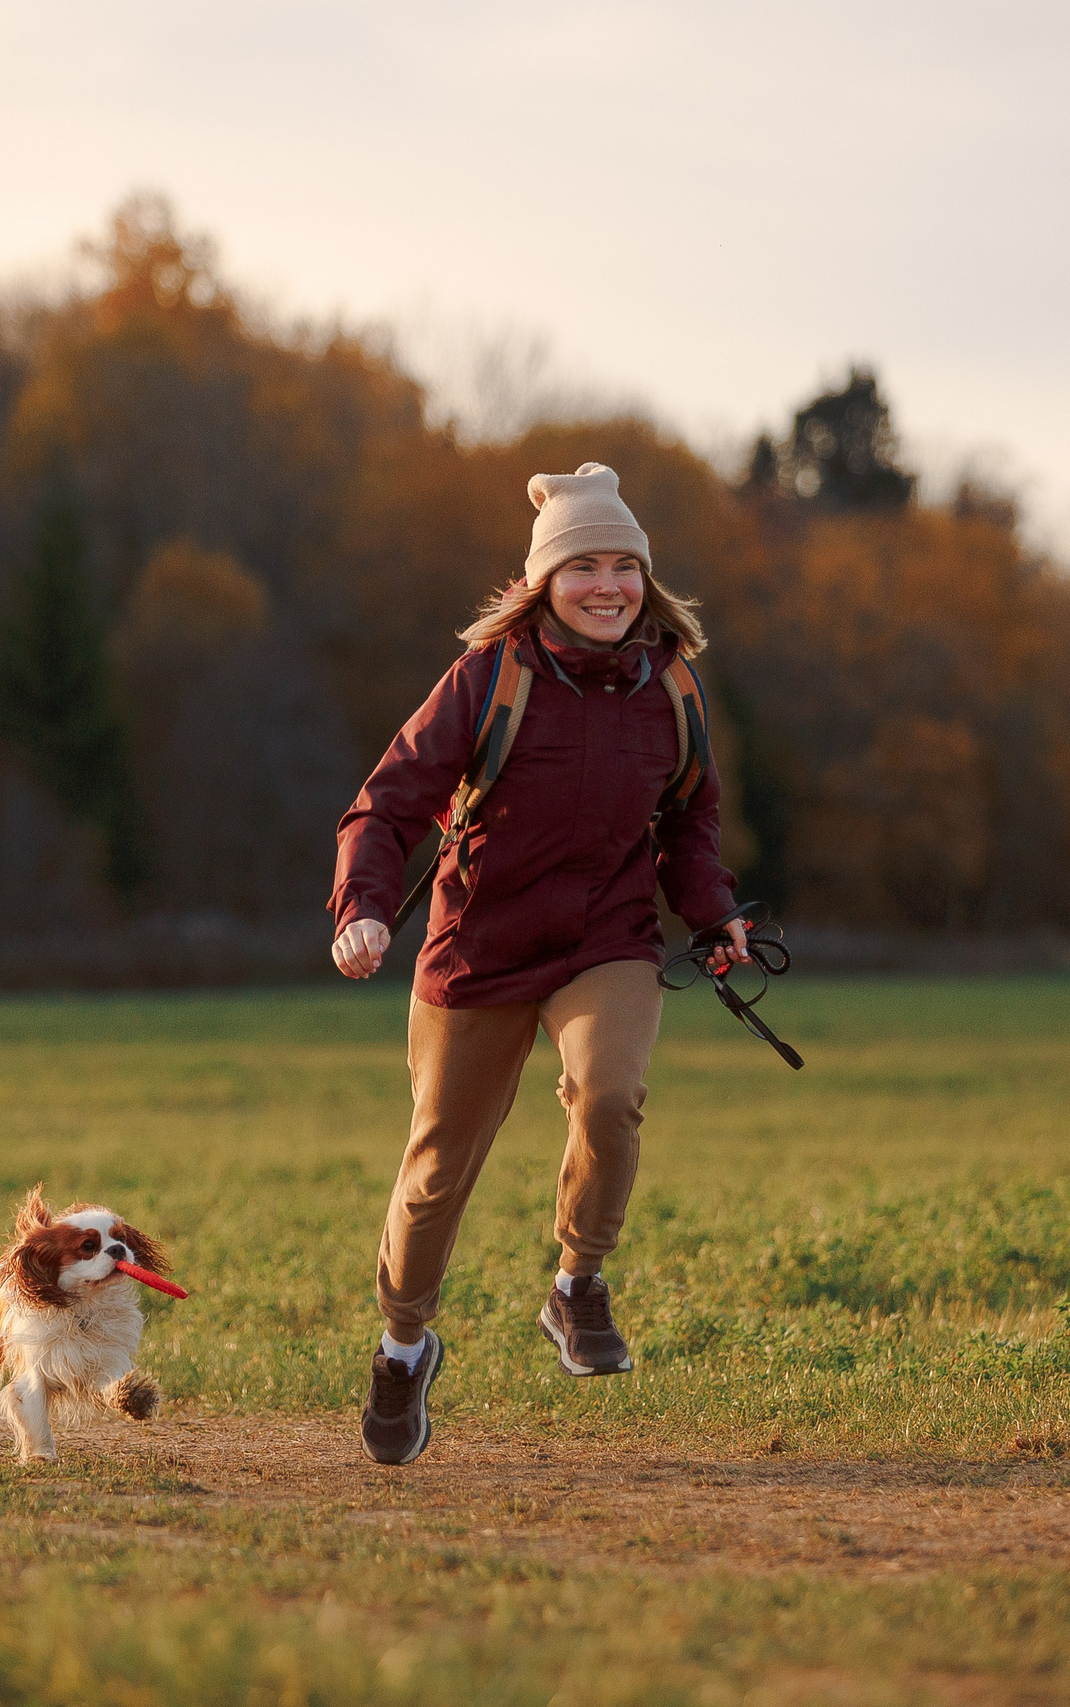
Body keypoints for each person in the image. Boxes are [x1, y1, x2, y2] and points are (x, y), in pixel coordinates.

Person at [329, 462, 751, 1466]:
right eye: (584, 567)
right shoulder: (491, 677)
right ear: (544, 580)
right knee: (437, 1173)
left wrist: (715, 913)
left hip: (605, 938)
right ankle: (401, 1347)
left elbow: (690, 824)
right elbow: (384, 806)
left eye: (624, 567)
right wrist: (363, 911)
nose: (607, 586)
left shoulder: (674, 687)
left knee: (609, 1095)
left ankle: (577, 1286)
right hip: (479, 947)